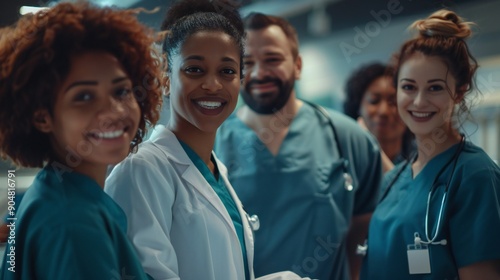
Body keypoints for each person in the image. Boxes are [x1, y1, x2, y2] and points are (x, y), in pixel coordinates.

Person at [105, 1, 309, 279]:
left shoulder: (216, 170)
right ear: (165, 77)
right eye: (195, 69)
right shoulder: (141, 171)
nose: (213, 85)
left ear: (240, 79)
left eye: (227, 71)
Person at [0, 2, 163, 280]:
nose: (115, 111)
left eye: (122, 91)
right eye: (84, 97)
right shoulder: (73, 223)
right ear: (42, 118)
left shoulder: (55, 190)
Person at [215, 12, 382, 280]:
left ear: (298, 65)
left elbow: (365, 226)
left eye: (272, 59)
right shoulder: (212, 144)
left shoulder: (347, 137)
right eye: (247, 63)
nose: (259, 73)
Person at [360, 9, 500, 279]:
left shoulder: (475, 176)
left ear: (459, 92)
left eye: (435, 88)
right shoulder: (395, 177)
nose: (419, 102)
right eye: (409, 87)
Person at [344, 62, 414, 173]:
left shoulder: (426, 158)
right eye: (374, 101)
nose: (384, 111)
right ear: (358, 107)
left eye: (393, 101)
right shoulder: (346, 163)